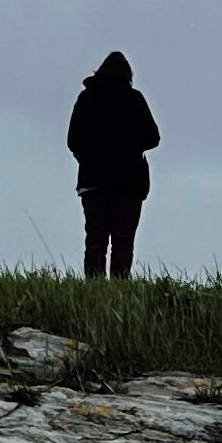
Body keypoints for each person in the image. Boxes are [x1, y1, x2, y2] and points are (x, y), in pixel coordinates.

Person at [66, 50, 161, 279]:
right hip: (128, 182)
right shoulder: (134, 98)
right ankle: (119, 290)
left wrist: (88, 159)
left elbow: (72, 140)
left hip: (92, 181)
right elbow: (153, 138)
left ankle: (94, 291)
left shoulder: (85, 99)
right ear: (127, 75)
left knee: (95, 237)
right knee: (122, 238)